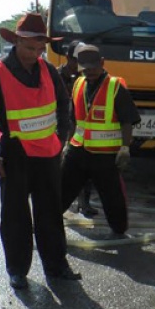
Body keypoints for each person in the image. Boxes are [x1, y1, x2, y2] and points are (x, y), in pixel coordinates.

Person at [0, 13, 81, 290]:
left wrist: (61, 138)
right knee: (15, 215)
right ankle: (17, 270)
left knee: (50, 212)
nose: (33, 54)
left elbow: (63, 104)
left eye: (39, 49)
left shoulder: (48, 70)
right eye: (28, 48)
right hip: (14, 154)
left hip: (48, 153)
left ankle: (57, 266)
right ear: (17, 42)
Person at [61, 44, 141, 236]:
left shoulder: (115, 87)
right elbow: (73, 120)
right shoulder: (78, 84)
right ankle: (46, 223)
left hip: (105, 155)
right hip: (78, 151)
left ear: (102, 63)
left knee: (112, 197)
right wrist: (67, 143)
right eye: (85, 69)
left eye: (93, 68)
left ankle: (119, 230)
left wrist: (124, 148)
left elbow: (127, 121)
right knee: (62, 190)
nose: (89, 72)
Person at [59, 40, 98, 218]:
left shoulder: (86, 78)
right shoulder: (56, 76)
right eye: (77, 60)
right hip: (59, 130)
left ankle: (84, 203)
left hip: (80, 132)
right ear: (68, 58)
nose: (81, 65)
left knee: (85, 169)